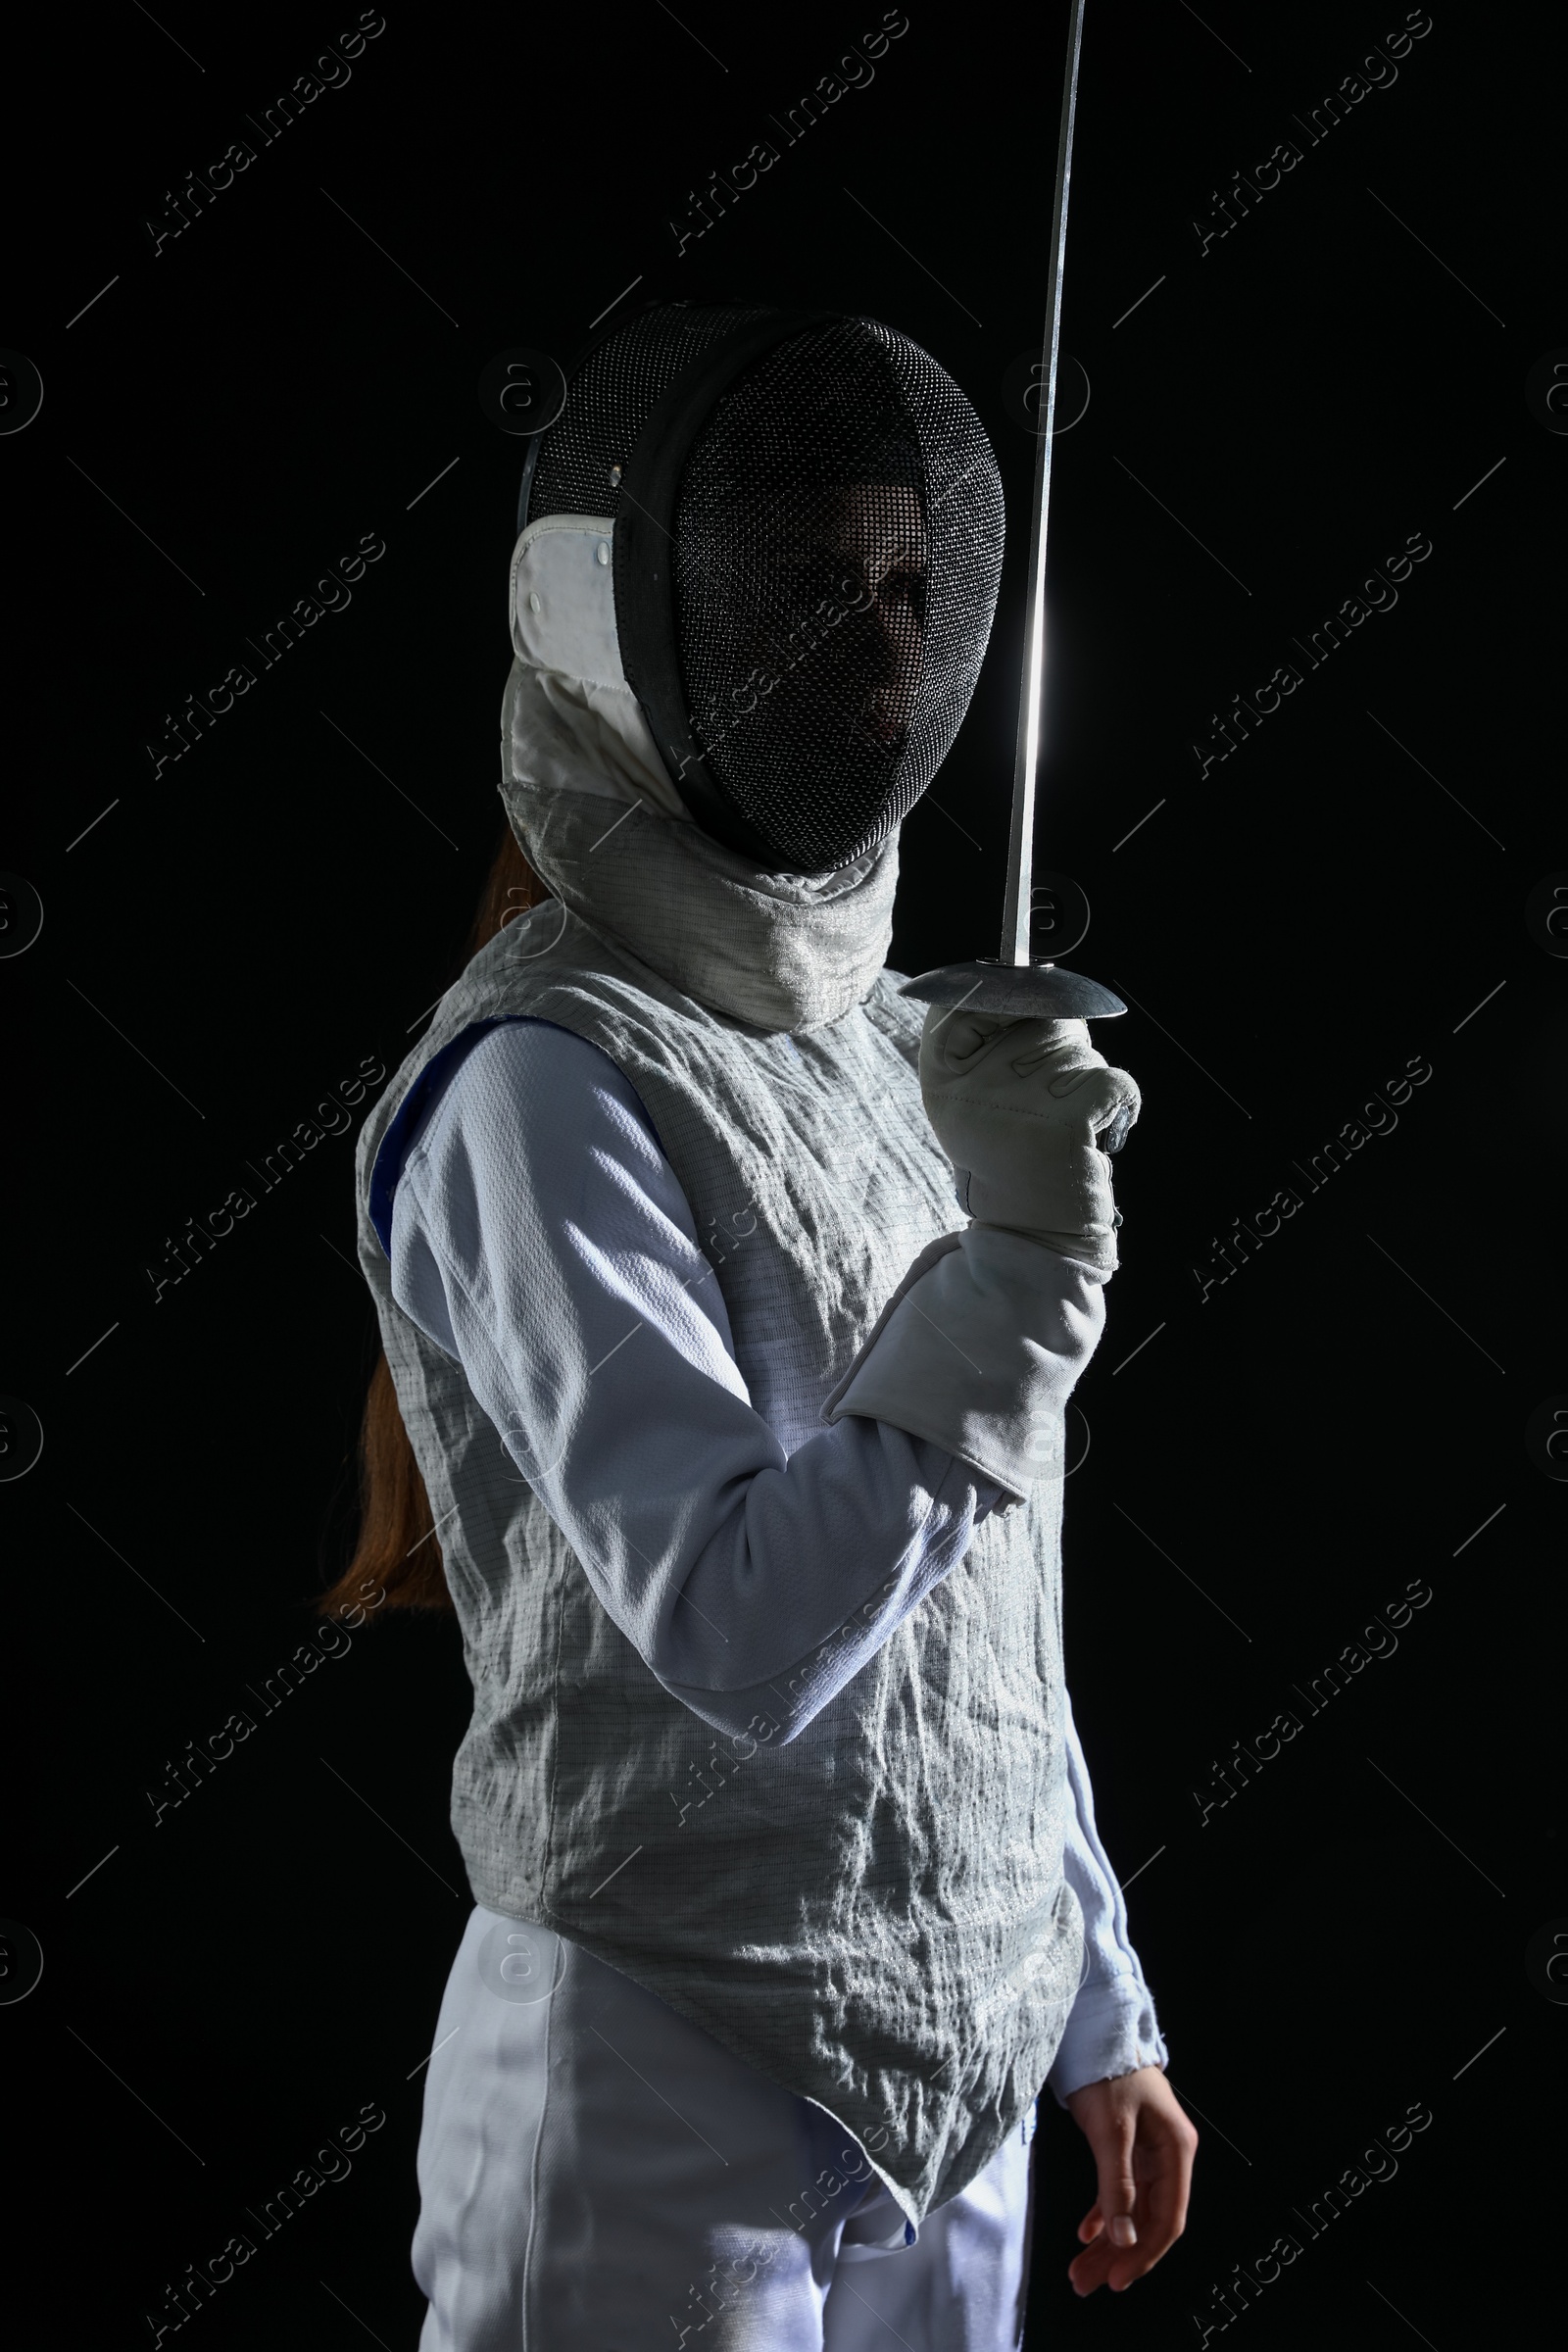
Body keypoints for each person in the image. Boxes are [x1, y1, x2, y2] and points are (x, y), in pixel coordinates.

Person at [323, 299, 1198, 2349]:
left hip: (958, 2077)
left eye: (909, 584)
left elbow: (986, 1597)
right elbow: (735, 1631)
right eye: (811, 587)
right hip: (657, 2087)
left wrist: (1096, 2002)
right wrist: (1023, 1272)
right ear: (634, 632)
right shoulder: (540, 1084)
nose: (882, 649)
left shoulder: (899, 1056)